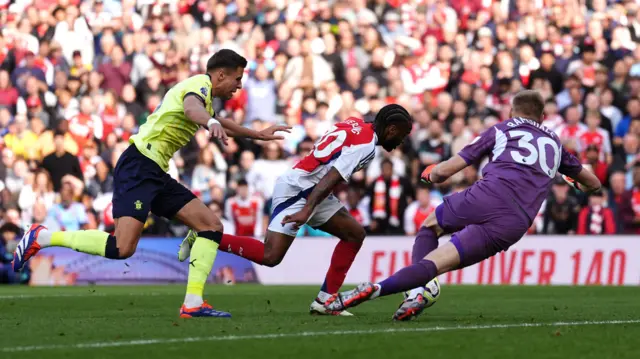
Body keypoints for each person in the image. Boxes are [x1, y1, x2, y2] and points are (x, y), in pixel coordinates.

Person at [12, 49, 289, 318]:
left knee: (211, 225)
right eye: (237, 79)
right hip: (139, 165)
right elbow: (192, 110)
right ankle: (43, 236)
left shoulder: (206, 97)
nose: (239, 86)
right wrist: (209, 122)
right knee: (122, 248)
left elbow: (217, 120)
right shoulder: (198, 86)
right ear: (219, 75)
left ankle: (193, 302)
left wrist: (258, 135)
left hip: (154, 171)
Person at [323, 90, 602, 321]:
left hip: (488, 195)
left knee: (429, 227)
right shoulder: (555, 141)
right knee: (437, 264)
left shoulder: (503, 129)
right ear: (542, 117)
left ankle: (416, 291)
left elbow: (448, 170)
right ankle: (377, 290)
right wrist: (574, 180)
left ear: (511, 112)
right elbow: (593, 184)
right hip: (516, 221)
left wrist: (430, 174)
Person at [179, 104, 414, 316]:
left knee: (354, 234)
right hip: (301, 190)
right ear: (391, 129)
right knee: (270, 256)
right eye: (402, 136)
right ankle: (206, 236)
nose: (401, 142)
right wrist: (306, 210)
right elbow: (331, 177)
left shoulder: (356, 124)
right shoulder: (366, 146)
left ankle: (325, 300)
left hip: (311, 186)